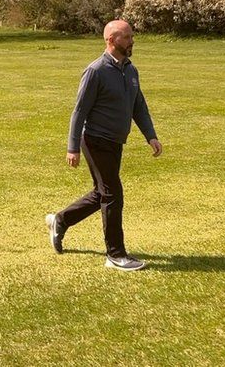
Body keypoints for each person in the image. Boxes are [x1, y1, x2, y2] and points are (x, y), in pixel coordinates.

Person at [46, 19, 162, 271]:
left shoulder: (131, 70)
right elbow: (79, 111)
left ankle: (60, 220)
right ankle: (115, 254)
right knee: (112, 194)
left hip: (115, 142)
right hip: (95, 140)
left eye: (132, 36)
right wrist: (72, 147)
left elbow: (138, 105)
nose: (132, 41)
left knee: (102, 193)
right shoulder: (96, 71)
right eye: (127, 37)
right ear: (111, 40)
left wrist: (150, 135)